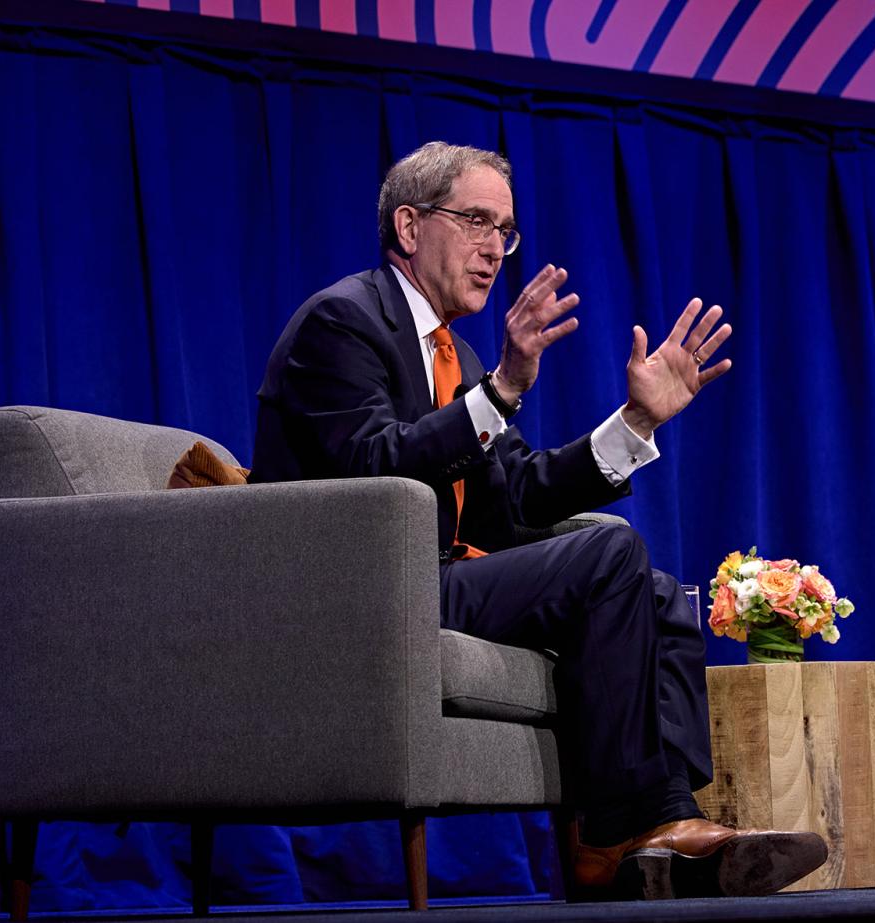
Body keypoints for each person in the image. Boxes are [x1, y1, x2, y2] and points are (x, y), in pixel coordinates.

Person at [251, 141, 825, 900]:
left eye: (506, 231)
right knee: (609, 551)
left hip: (438, 577)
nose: (495, 249)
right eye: (476, 222)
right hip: (363, 590)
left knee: (654, 591)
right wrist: (501, 391)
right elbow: (373, 466)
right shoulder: (344, 322)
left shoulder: (446, 350)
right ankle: (624, 831)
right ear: (411, 226)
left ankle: (661, 827)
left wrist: (633, 422)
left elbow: (515, 494)